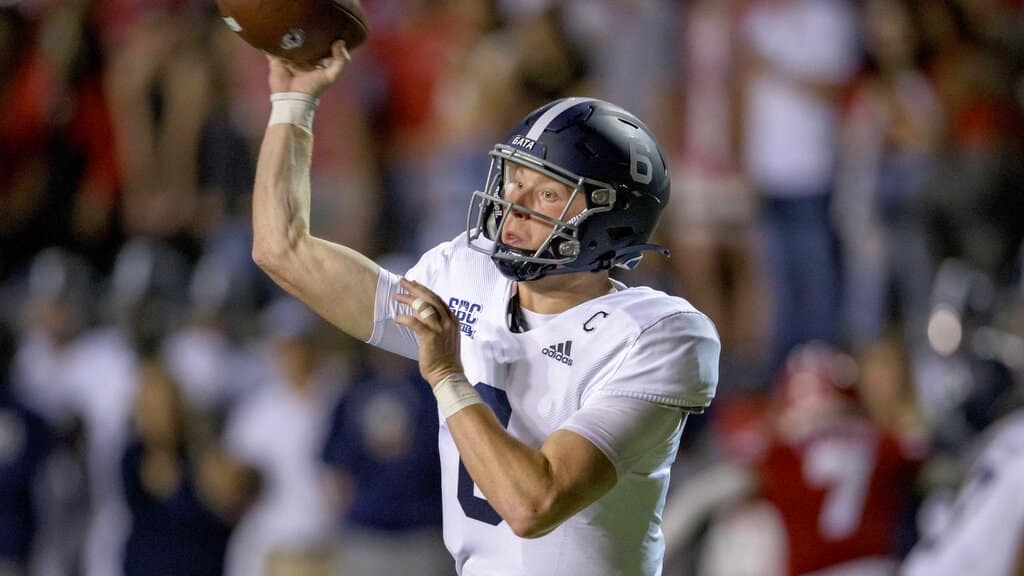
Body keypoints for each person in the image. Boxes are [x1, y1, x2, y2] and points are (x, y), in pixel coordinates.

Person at [250, 41, 720, 575]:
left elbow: (534, 504)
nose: (513, 203)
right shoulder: (467, 274)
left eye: (548, 194)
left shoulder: (660, 334)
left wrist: (448, 376)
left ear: (611, 220)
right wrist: (293, 106)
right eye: (515, 180)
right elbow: (280, 249)